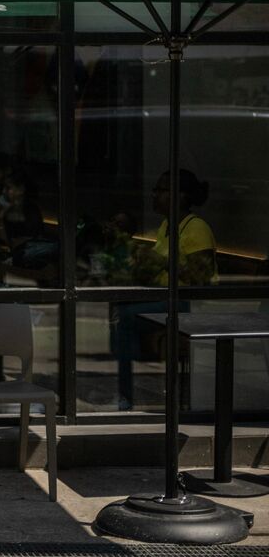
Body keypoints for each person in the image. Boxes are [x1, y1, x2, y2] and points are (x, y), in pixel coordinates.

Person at [111, 169, 218, 409]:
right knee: (120, 307)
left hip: (189, 304)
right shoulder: (166, 226)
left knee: (125, 318)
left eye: (161, 190)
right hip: (168, 299)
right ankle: (127, 384)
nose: (155, 195)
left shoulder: (196, 228)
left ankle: (126, 395)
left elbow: (201, 277)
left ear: (180, 196)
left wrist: (162, 262)